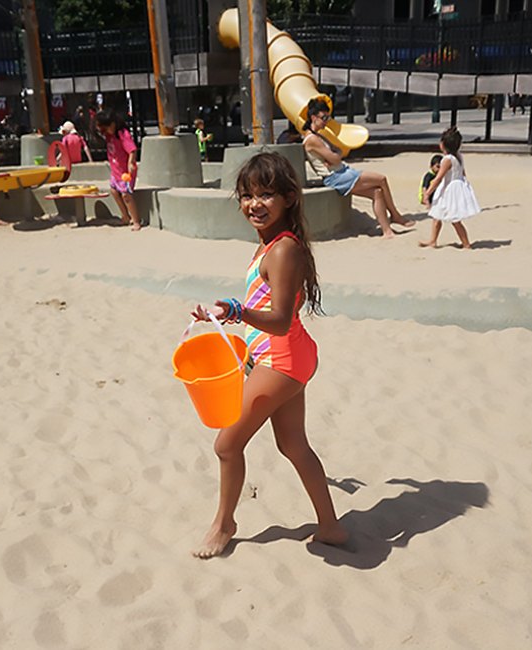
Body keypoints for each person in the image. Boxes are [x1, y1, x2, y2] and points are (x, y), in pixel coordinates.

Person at [190, 152, 349, 559]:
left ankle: (225, 524)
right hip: (281, 357)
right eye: (246, 195)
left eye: (265, 195)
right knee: (293, 445)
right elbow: (268, 305)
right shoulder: (271, 245)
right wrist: (228, 310)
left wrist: (240, 312)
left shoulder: (282, 250)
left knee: (226, 445)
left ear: (290, 197)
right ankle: (330, 527)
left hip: (282, 358)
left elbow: (279, 319)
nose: (253, 204)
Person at [302, 97, 413, 238]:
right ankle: (396, 215)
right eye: (324, 117)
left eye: (328, 117)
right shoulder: (312, 139)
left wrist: (334, 156)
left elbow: (339, 151)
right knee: (381, 179)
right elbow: (336, 156)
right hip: (335, 177)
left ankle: (387, 231)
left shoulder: (319, 136)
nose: (326, 121)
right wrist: (334, 156)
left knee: (377, 192)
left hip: (341, 172)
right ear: (313, 117)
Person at [420, 127, 480, 250]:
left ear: (443, 145)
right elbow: (463, 173)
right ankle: (433, 240)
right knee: (437, 215)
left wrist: (428, 193)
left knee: (454, 219)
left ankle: (466, 243)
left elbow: (438, 179)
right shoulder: (459, 156)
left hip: (449, 189)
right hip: (456, 186)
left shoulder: (447, 160)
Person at [95, 109, 141, 231]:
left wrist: (131, 162)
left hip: (125, 171)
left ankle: (136, 220)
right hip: (116, 171)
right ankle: (125, 216)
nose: (107, 131)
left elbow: (132, 149)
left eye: (107, 127)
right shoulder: (109, 135)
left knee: (126, 195)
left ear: (113, 123)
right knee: (114, 191)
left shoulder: (122, 133)